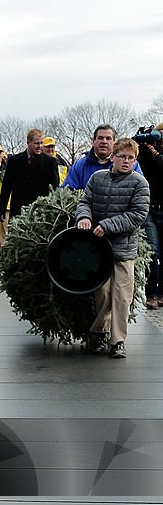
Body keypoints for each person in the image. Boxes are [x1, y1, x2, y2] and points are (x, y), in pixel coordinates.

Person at [77, 138, 150, 359]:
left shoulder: (140, 183)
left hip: (123, 250)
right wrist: (84, 217)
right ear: (113, 157)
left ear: (135, 160)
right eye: (122, 156)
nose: (126, 161)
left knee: (121, 296)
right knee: (103, 293)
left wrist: (107, 226)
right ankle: (99, 332)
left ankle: (117, 340)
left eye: (131, 158)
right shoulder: (97, 178)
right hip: (98, 249)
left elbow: (137, 215)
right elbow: (85, 201)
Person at [0, 128, 59, 223]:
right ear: (28, 142)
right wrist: (2, 207)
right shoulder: (14, 161)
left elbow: (55, 188)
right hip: (18, 211)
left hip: (41, 213)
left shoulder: (50, 162)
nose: (40, 146)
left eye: (41, 143)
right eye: (37, 143)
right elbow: (6, 186)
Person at [63, 124, 143, 190]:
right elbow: (67, 191)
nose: (104, 142)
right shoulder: (80, 165)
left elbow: (140, 190)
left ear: (114, 142)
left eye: (108, 138)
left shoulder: (132, 164)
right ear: (93, 141)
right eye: (100, 138)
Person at [136, 123, 163, 309]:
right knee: (153, 252)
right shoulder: (146, 151)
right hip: (149, 209)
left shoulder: (156, 154)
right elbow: (133, 152)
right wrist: (142, 138)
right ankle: (151, 293)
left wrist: (155, 152)